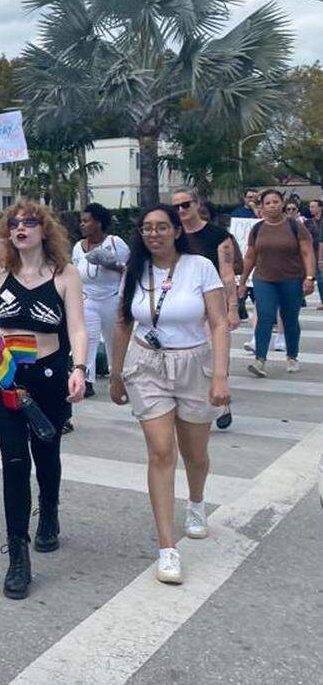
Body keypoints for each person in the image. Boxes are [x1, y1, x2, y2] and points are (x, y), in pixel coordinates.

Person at [0, 138, 89, 600]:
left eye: (29, 222)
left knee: (46, 449)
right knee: (13, 460)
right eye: (13, 223)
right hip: (5, 374)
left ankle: (49, 511)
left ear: (44, 229)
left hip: (50, 372)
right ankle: (18, 554)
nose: (20, 228)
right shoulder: (1, 265)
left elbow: (77, 327)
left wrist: (78, 368)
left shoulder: (64, 273)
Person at [109, 205, 230, 584]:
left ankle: (196, 501)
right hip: (147, 366)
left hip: (194, 364)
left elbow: (219, 321)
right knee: (161, 451)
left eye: (162, 227)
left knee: (195, 454)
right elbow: (124, 322)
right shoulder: (134, 270)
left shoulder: (200, 267)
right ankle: (167, 547)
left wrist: (221, 378)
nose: (154, 234)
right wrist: (115, 374)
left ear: (177, 231)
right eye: (147, 228)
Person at [169, 189, 239, 429]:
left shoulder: (218, 236)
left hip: (213, 305)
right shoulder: (174, 237)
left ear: (197, 204)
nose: (181, 210)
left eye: (186, 205)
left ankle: (222, 402)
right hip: (183, 306)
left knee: (216, 354)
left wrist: (232, 308)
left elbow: (227, 275)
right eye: (176, 207)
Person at [240, 189, 316, 377]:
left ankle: (292, 356)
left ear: (282, 204)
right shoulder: (257, 229)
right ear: (262, 207)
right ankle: (260, 360)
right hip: (264, 280)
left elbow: (307, 252)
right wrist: (241, 281)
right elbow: (250, 256)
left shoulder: (295, 226)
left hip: (292, 279)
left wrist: (309, 277)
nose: (272, 205)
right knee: (265, 316)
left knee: (289, 319)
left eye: (276, 202)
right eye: (268, 203)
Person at [71, 203, 129, 399]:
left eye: (86, 221)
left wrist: (111, 264)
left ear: (98, 223)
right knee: (88, 338)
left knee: (114, 339)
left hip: (111, 298)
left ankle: (118, 376)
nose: (82, 224)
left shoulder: (115, 242)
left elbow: (129, 269)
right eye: (82, 221)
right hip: (88, 299)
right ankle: (86, 380)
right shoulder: (78, 247)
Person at [309, 199, 323, 309]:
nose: (311, 209)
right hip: (313, 253)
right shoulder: (308, 222)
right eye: (310, 206)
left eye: (313, 206)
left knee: (320, 278)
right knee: (317, 278)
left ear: (320, 208)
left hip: (320, 253)